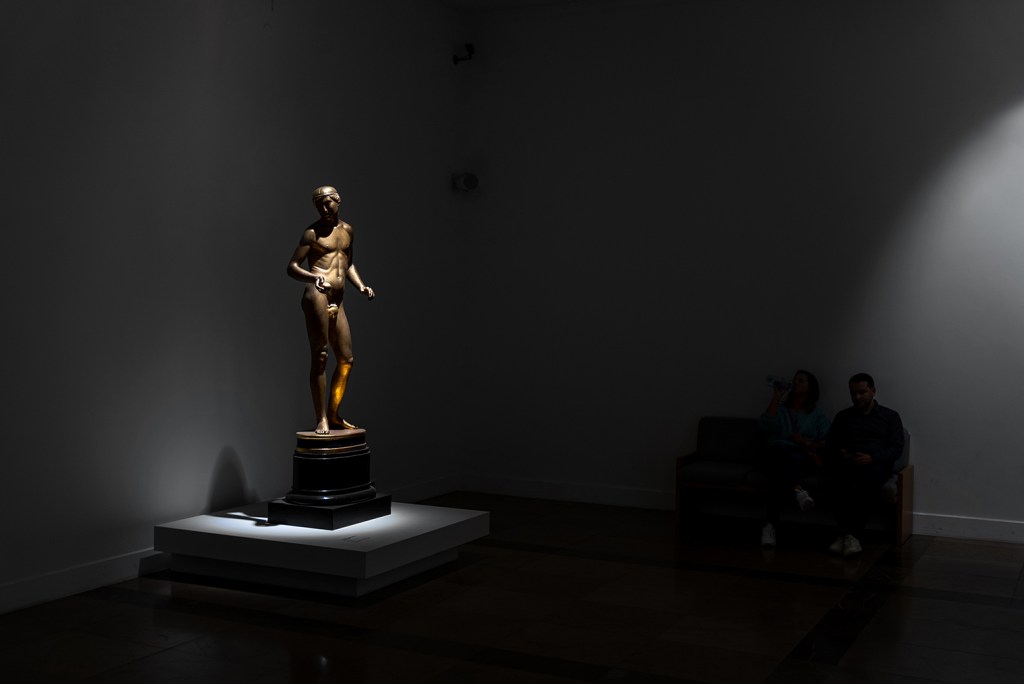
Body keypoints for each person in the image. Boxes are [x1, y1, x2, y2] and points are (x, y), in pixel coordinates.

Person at [287, 186, 375, 435]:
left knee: (346, 360)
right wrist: (313, 277)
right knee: (321, 356)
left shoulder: (347, 231)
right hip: (317, 295)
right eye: (319, 206)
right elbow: (292, 266)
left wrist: (361, 285)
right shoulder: (312, 234)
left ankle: (334, 414)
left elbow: (348, 263)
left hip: (339, 298)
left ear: (338, 201)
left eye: (327, 203)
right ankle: (322, 418)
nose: (324, 209)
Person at [824, 372, 904, 557]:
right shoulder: (843, 417)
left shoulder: (890, 416)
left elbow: (896, 448)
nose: (857, 397)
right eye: (853, 393)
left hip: (875, 464)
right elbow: (831, 444)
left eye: (862, 392)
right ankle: (849, 536)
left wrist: (872, 457)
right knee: (833, 480)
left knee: (869, 481)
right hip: (848, 463)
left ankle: (849, 534)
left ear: (873, 391)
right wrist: (843, 453)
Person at [759, 370, 830, 547]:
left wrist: (805, 442)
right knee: (779, 453)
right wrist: (776, 397)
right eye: (794, 380)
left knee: (779, 472)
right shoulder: (782, 409)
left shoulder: (817, 414)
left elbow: (827, 442)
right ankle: (798, 489)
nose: (795, 383)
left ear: (810, 387)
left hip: (801, 457)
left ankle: (769, 525)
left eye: (801, 381)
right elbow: (765, 425)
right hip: (775, 454)